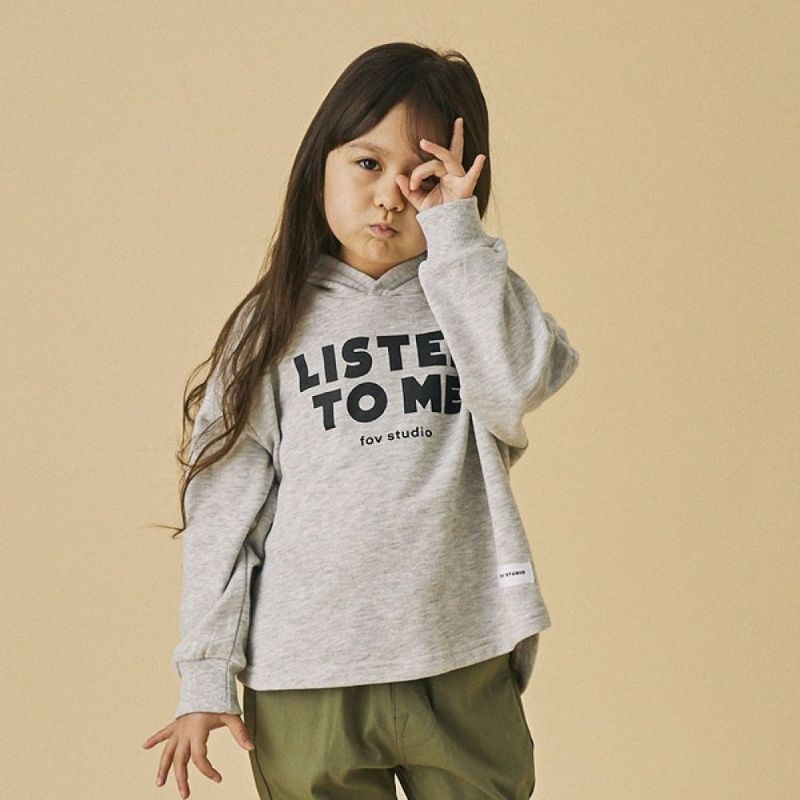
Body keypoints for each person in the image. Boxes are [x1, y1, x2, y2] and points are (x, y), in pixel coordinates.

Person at [143, 41, 579, 800]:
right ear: (320, 163)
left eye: (423, 176)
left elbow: (513, 387)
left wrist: (458, 237)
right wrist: (205, 675)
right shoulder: (268, 327)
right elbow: (224, 513)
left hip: (460, 655)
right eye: (368, 163)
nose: (390, 198)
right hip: (306, 674)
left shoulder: (473, 294)